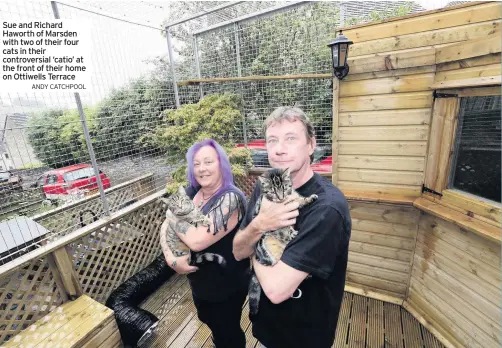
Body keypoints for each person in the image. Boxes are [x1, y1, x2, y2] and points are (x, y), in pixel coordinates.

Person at [233, 106, 351, 348]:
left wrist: (256, 241)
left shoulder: (327, 208)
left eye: (291, 138)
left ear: (310, 145)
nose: (279, 149)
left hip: (304, 337)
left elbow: (277, 290)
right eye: (272, 140)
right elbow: (237, 251)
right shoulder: (264, 185)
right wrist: (260, 224)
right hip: (266, 329)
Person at [160, 139, 249, 348]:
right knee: (209, 320)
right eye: (196, 163)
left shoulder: (231, 198)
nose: (202, 168)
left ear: (221, 164)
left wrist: (170, 214)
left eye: (208, 162)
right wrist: (171, 258)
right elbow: (165, 226)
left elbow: (197, 240)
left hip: (226, 284)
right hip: (199, 280)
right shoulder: (192, 191)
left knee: (228, 331)